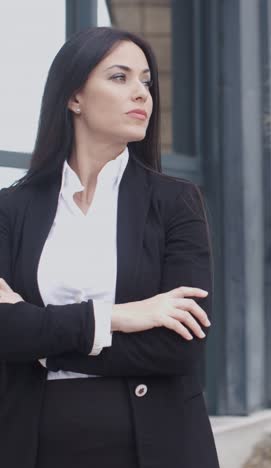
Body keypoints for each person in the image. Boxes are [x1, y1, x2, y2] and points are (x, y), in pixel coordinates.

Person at [0, 26, 220, 468]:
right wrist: (116, 317)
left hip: (154, 447)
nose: (141, 93)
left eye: (146, 81)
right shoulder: (11, 208)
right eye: (120, 77)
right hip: (33, 445)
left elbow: (180, 345)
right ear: (74, 97)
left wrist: (41, 341)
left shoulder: (175, 202)